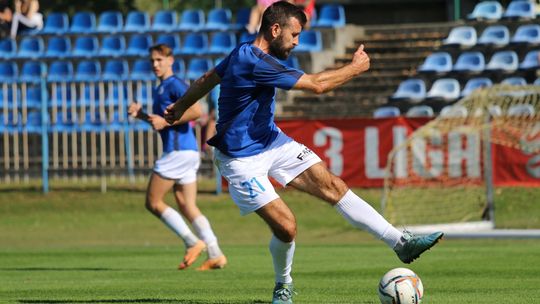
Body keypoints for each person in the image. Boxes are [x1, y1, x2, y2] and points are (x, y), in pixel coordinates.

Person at [164, 2, 443, 303]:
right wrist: (355, 68)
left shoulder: (242, 53)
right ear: (275, 30)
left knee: (333, 185)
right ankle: (283, 284)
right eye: (294, 34)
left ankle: (401, 242)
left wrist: (180, 106)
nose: (297, 42)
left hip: (271, 141)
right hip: (240, 159)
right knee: (287, 226)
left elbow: (208, 79)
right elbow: (316, 85)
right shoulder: (255, 61)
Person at [128, 44, 227, 271]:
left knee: (153, 202)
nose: (155, 64)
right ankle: (215, 253)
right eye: (152, 60)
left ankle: (192, 242)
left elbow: (196, 111)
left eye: (160, 60)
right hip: (188, 151)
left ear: (171, 60)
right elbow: (162, 122)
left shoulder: (174, 84)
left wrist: (166, 121)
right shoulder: (161, 88)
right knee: (187, 205)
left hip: (177, 152)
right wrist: (142, 115)